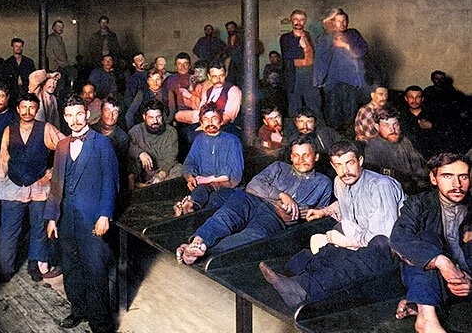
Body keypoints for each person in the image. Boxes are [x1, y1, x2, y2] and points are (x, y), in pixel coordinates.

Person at [260, 139, 405, 306]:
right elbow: (349, 204)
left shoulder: (381, 186)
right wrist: (324, 211)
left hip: (392, 252)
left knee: (351, 257)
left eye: (349, 163)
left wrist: (345, 242)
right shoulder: (340, 182)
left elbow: (383, 236)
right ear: (332, 165)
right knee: (327, 253)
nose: (345, 171)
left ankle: (301, 289)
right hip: (361, 241)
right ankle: (288, 278)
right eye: (338, 165)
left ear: (360, 160)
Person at [176, 137, 333, 264]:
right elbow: (254, 185)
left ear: (316, 157)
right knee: (227, 216)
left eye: (306, 155)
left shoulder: (323, 183)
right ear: (291, 157)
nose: (301, 160)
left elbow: (319, 215)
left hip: (274, 217)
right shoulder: (279, 167)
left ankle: (203, 253)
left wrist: (302, 213)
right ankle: (198, 241)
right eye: (296, 155)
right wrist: (281, 195)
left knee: (254, 236)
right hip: (251, 200)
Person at [45, 95, 120, 333]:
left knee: (96, 271)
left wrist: (105, 215)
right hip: (66, 218)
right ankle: (78, 310)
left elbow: (111, 182)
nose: (75, 120)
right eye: (69, 115)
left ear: (87, 114)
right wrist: (52, 217)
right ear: (64, 118)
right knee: (71, 267)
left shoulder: (102, 143)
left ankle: (102, 326)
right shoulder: (62, 145)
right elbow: (56, 184)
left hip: (92, 219)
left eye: (79, 114)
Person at [390, 153, 471, 333]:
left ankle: (419, 302)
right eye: (447, 176)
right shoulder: (419, 204)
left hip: (462, 286)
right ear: (434, 178)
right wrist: (441, 261)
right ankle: (427, 320)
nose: (457, 184)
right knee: (427, 238)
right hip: (433, 276)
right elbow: (399, 239)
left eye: (463, 176)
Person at [0, 93, 64, 281]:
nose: (27, 111)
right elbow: (3, 158)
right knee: (9, 230)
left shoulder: (45, 128)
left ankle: (36, 264)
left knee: (39, 228)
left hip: (39, 186)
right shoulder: (9, 130)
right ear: (18, 109)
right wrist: (2, 186)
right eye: (23, 107)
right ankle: (4, 269)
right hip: (13, 186)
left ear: (37, 109)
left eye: (31, 107)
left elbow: (65, 147)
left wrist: (52, 172)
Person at [174, 105, 244, 217]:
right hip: (202, 187)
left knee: (213, 199)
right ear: (201, 123)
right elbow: (190, 161)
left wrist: (208, 179)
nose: (210, 123)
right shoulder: (199, 139)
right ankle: (189, 206)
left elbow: (234, 174)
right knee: (200, 192)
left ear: (221, 121)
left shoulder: (232, 141)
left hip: (226, 187)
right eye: (206, 119)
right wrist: (190, 177)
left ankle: (190, 206)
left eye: (214, 118)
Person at [314, 8, 369, 130]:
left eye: (344, 21)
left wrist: (345, 45)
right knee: (333, 112)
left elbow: (363, 50)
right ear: (333, 23)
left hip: (351, 81)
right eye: (338, 21)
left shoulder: (353, 34)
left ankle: (349, 136)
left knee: (351, 112)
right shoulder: (325, 37)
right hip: (332, 82)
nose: (342, 24)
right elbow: (319, 50)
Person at [364, 106, 428, 190]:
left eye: (395, 124)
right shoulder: (373, 147)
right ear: (377, 127)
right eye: (386, 125)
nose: (392, 130)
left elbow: (420, 168)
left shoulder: (405, 142)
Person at [128, 100, 182, 187]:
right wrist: (140, 153)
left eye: (158, 117)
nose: (155, 121)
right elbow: (127, 146)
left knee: (180, 169)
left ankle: (153, 186)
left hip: (163, 170)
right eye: (151, 117)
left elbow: (170, 158)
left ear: (162, 116)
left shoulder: (171, 132)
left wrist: (162, 173)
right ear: (144, 117)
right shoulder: (136, 130)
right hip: (144, 172)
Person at [280, 10, 322, 120]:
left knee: (315, 106)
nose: (298, 22)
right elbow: (289, 54)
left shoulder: (310, 36)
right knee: (294, 108)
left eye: (301, 19)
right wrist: (303, 47)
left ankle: (317, 129)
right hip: (294, 75)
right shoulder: (285, 38)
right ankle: (294, 130)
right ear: (291, 20)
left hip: (310, 74)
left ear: (305, 21)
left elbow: (317, 55)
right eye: (295, 19)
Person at [92, 96, 130, 178]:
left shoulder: (122, 137)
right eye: (107, 110)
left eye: (115, 112)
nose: (110, 115)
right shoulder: (91, 131)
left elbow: (121, 165)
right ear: (101, 111)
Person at [399, 85, 437, 158]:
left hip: (429, 155)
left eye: (418, 97)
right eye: (411, 97)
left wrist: (432, 126)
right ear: (406, 98)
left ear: (422, 99)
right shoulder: (401, 115)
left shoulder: (432, 114)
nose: (414, 100)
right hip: (407, 155)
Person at [0, 37, 36, 104]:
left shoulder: (29, 62)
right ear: (12, 47)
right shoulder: (7, 63)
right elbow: (4, 80)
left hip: (26, 93)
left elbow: (34, 78)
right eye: (16, 46)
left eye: (20, 46)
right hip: (12, 95)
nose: (18, 48)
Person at [224, 21, 244, 86]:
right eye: (228, 28)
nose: (230, 29)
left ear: (235, 28)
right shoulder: (229, 39)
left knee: (241, 82)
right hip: (233, 63)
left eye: (232, 27)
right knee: (230, 81)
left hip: (241, 63)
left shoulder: (241, 37)